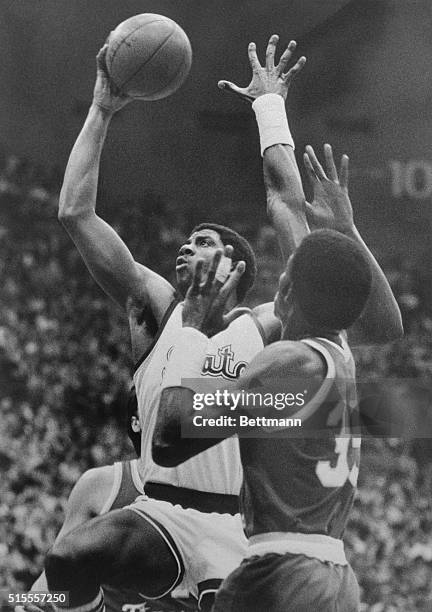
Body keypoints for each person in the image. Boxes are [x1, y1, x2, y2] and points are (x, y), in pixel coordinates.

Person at [45, 34, 401, 612]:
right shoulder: (157, 305)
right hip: (157, 506)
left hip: (243, 534)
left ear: (253, 272)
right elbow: (75, 214)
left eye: (204, 241)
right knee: (44, 587)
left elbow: (179, 426)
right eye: (185, 240)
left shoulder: (271, 331)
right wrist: (102, 110)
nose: (186, 246)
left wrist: (193, 326)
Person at [152, 225, 373, 611]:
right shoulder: (341, 357)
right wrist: (347, 225)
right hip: (337, 576)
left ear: (286, 291)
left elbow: (169, 441)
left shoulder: (289, 362)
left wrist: (190, 330)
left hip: (281, 570)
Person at [17, 392, 194, 612]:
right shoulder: (101, 485)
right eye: (155, 405)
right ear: (136, 422)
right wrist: (25, 602)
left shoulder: (219, 488)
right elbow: (54, 577)